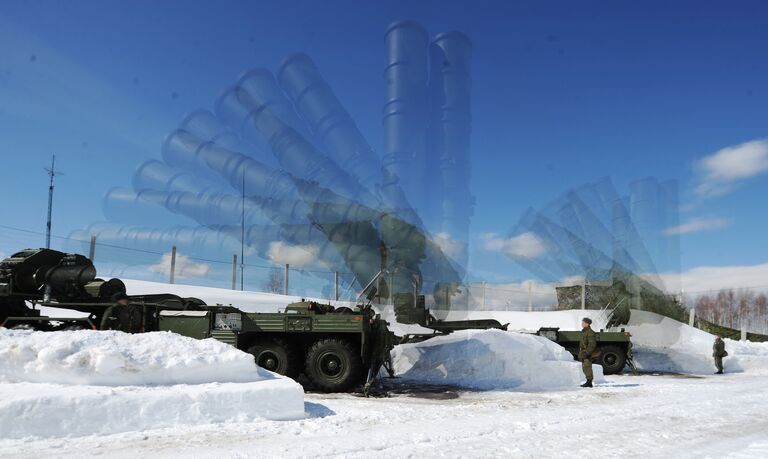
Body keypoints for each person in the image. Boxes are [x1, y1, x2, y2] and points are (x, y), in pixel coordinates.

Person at [579, 317, 598, 387]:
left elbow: (592, 344)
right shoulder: (584, 332)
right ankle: (588, 381)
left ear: (587, 324)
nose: (582, 324)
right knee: (584, 367)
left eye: (583, 322)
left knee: (587, 366)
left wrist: (587, 352)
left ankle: (589, 382)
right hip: (583, 352)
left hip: (587, 353)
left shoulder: (590, 333)